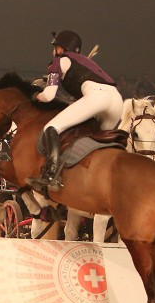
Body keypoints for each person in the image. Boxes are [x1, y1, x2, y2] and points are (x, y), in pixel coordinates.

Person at [26, 30, 123, 192]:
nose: (53, 51)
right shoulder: (85, 62)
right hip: (116, 101)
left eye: (55, 47)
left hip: (96, 98)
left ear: (61, 48)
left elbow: (49, 96)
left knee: (52, 128)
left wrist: (36, 96)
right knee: (97, 142)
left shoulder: (58, 61)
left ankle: (51, 175)